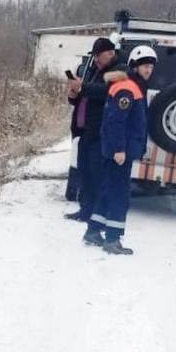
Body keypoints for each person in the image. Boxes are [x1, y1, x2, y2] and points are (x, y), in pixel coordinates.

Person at [82, 45, 156, 254]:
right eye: (144, 66)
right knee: (118, 194)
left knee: (108, 190)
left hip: (119, 150)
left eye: (150, 67)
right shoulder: (128, 87)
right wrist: (119, 149)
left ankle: (93, 231)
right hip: (119, 152)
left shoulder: (133, 85)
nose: (148, 70)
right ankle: (113, 239)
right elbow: (115, 121)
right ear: (134, 66)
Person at [64, 38, 124, 222]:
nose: (97, 59)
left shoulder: (119, 71)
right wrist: (74, 93)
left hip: (100, 133)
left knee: (97, 176)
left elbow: (106, 92)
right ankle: (85, 211)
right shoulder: (92, 70)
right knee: (85, 174)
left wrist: (83, 87)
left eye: (100, 55)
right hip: (84, 132)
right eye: (95, 55)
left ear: (111, 53)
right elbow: (83, 96)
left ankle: (96, 216)